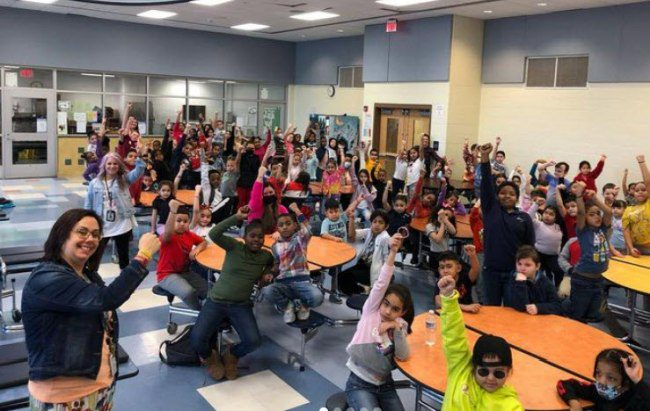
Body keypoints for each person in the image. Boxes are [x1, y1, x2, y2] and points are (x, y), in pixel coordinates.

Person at [22, 209, 160, 411]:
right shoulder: (47, 279)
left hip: (99, 387)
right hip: (64, 397)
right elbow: (107, 299)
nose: (90, 239)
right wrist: (143, 256)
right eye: (82, 232)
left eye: (96, 234)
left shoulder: (86, 275)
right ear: (62, 235)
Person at [190, 206, 274, 381]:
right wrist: (236, 217)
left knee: (254, 341)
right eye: (252, 236)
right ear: (244, 237)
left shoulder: (265, 256)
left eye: (260, 237)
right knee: (197, 340)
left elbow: (272, 266)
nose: (257, 240)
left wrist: (269, 274)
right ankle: (211, 358)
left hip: (241, 305)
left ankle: (231, 355)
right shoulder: (234, 246)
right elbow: (214, 234)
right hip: (216, 301)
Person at [344, 234, 413, 411]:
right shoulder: (371, 312)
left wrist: (396, 329)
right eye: (386, 304)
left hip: (385, 385)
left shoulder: (400, 324)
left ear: (402, 312)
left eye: (395, 309)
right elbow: (382, 283)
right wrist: (393, 252)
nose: (388, 311)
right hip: (359, 383)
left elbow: (403, 355)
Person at [438, 274, 524, 410]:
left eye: (499, 373)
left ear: (509, 372)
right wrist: (449, 299)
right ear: (473, 367)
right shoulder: (461, 370)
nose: (490, 378)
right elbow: (454, 334)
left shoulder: (510, 406)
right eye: (483, 372)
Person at [479, 143, 535, 306]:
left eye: (511, 194)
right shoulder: (491, 211)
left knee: (513, 311)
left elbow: (529, 247)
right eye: (502, 193)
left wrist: (525, 274)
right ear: (496, 196)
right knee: (491, 309)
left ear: (517, 198)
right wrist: (484, 158)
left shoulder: (524, 218)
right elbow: (486, 186)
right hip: (491, 271)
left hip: (515, 272)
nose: (507, 196)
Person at [84, 148, 146, 273]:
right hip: (102, 223)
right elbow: (88, 204)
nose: (112, 166)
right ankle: (91, 277)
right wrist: (86, 221)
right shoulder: (94, 183)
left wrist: (139, 157)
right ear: (104, 165)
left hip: (122, 223)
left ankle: (125, 280)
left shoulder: (124, 180)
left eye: (115, 163)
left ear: (119, 165)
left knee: (124, 255)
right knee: (94, 255)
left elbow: (139, 170)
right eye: (109, 163)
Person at [268, 204, 323, 323]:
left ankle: (303, 305)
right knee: (267, 291)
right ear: (277, 229)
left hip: (302, 281)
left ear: (295, 225)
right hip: (283, 282)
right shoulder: (275, 246)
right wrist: (271, 273)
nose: (284, 227)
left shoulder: (300, 239)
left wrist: (297, 211)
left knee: (318, 297)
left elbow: (309, 229)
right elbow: (277, 264)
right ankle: (288, 306)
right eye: (281, 225)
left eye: (288, 224)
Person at [565, 182, 612, 322]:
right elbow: (580, 212)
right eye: (591, 214)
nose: (597, 217)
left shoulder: (602, 229)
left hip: (598, 280)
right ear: (585, 218)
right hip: (582, 280)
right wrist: (579, 195)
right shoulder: (583, 231)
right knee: (577, 315)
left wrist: (595, 198)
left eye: (598, 214)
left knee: (592, 314)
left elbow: (608, 212)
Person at [156, 199, 208, 311]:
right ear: (172, 222)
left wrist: (196, 250)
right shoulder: (168, 236)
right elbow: (168, 232)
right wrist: (172, 212)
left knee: (210, 291)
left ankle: (209, 312)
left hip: (185, 272)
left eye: (185, 221)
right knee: (188, 292)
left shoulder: (188, 234)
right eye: (178, 220)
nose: (182, 224)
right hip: (166, 275)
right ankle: (201, 312)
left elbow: (204, 242)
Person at [557, 349, 649, 410]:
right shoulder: (596, 391)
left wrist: (637, 380)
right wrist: (574, 403)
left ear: (626, 384)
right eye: (598, 373)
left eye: (611, 378)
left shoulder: (634, 400)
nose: (601, 381)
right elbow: (565, 384)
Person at [339, 205, 390, 296]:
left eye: (381, 222)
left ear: (386, 226)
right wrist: (351, 219)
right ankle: (361, 290)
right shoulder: (370, 231)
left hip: (371, 269)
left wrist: (384, 278)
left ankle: (361, 292)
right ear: (371, 223)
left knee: (346, 277)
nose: (377, 224)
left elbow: (387, 261)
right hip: (362, 264)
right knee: (341, 275)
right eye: (374, 222)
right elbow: (352, 236)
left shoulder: (385, 238)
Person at [507, 245, 563, 315]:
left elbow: (557, 306)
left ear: (537, 266)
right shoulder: (514, 279)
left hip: (542, 321)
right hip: (519, 319)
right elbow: (519, 307)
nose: (522, 268)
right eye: (519, 264)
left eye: (527, 265)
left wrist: (539, 308)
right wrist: (520, 284)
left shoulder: (546, 283)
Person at [527, 202, 565, 287]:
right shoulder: (538, 224)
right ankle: (535, 288)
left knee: (559, 271)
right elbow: (528, 217)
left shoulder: (558, 227)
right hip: (539, 254)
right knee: (537, 273)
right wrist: (536, 204)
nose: (547, 215)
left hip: (553, 256)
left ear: (555, 218)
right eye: (546, 213)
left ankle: (557, 288)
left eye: (551, 214)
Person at [433, 246, 481, 313]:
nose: (445, 270)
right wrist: (464, 307)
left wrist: (472, 255)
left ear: (458, 268)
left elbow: (475, 270)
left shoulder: (464, 277)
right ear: (439, 270)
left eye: (449, 266)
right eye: (442, 267)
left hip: (468, 313)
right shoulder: (441, 283)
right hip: (451, 314)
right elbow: (439, 303)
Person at [623, 155, 650, 256]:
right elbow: (626, 230)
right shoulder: (628, 209)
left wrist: (642, 163)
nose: (640, 192)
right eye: (637, 190)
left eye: (643, 190)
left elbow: (648, 183)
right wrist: (631, 248)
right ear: (633, 193)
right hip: (638, 248)